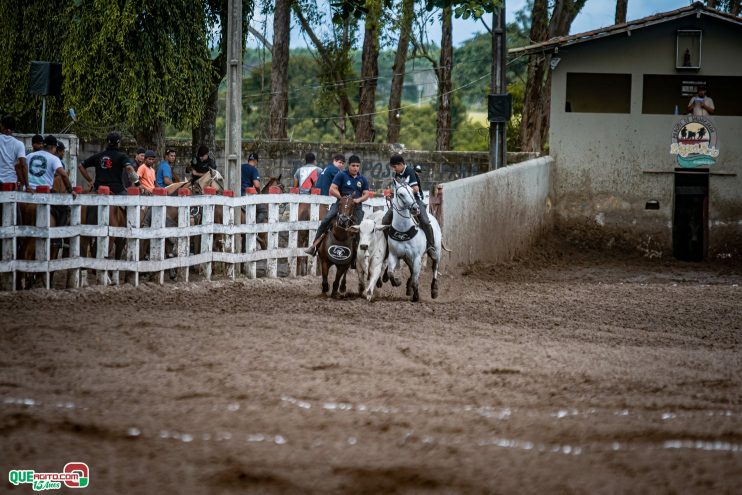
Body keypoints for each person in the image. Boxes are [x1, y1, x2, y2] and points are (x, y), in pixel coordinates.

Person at [305, 154, 369, 256]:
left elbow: (366, 194)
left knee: (360, 228)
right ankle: (314, 246)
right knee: (326, 220)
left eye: (357, 166)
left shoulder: (363, 179)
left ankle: (358, 253)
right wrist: (341, 198)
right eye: (353, 165)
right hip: (340, 204)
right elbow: (332, 188)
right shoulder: (341, 175)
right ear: (349, 166)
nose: (355, 168)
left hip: (356, 207)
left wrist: (358, 200)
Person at [382, 154, 437, 260]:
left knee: (425, 221)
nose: (394, 169)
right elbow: (398, 190)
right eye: (393, 167)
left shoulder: (410, 172)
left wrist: (405, 193)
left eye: (395, 167)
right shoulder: (397, 175)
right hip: (401, 202)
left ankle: (431, 246)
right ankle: (389, 245)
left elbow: (415, 189)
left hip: (414, 200)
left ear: (401, 164)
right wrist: (392, 195)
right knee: (385, 221)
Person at [0, 115, 30, 191]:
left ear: (2, 126)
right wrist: (27, 186)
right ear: (13, 129)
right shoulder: (19, 144)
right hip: (10, 183)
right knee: (9, 202)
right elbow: (23, 164)